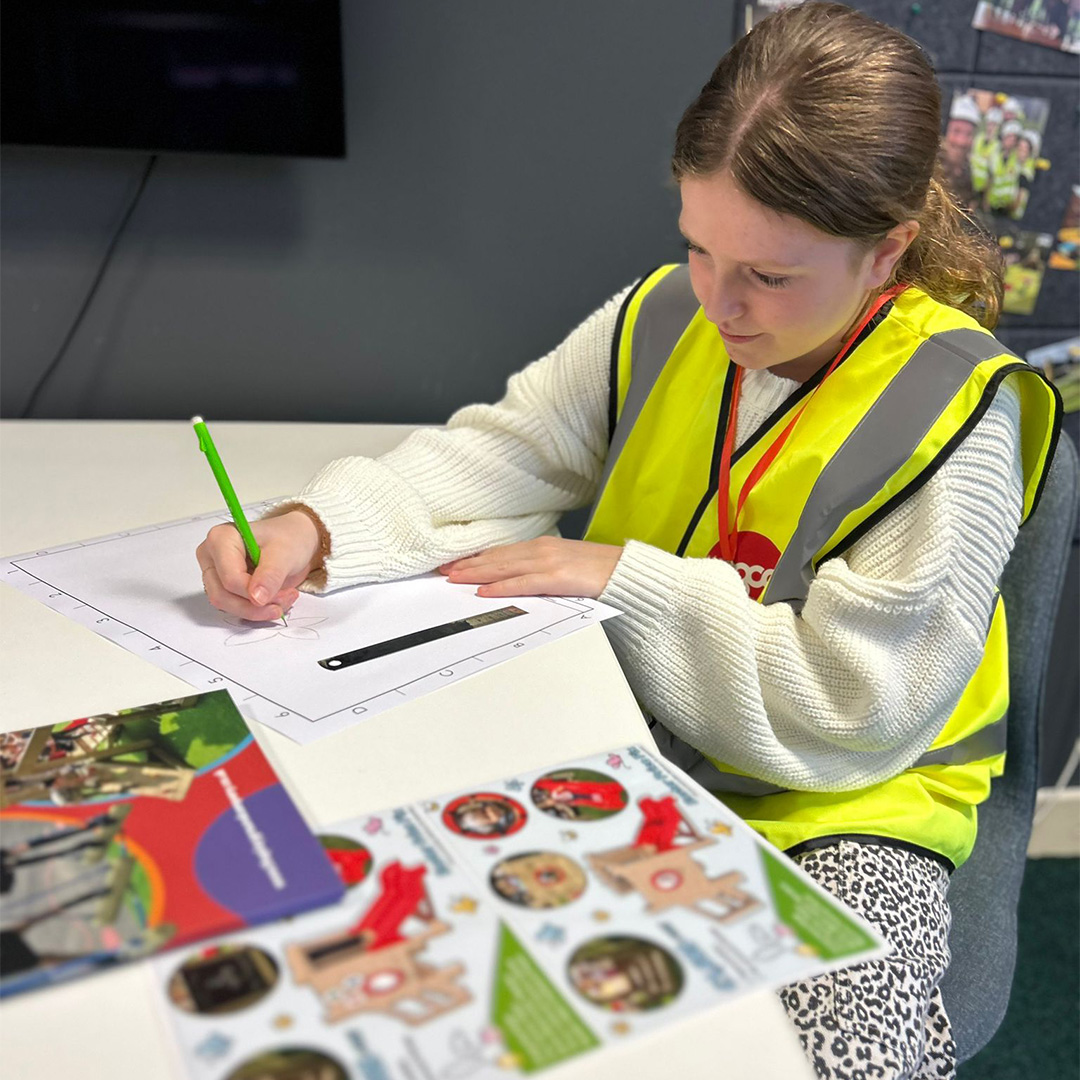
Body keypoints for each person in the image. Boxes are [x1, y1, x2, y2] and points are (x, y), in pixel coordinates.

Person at [195, 5, 1061, 1077]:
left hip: (846, 802)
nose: (722, 305)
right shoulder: (662, 317)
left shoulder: (960, 409)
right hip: (636, 736)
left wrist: (625, 582)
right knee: (431, 980)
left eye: (772, 276)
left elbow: (855, 712)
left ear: (886, 251)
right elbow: (501, 457)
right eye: (699, 247)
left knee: (837, 1054)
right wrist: (314, 526)